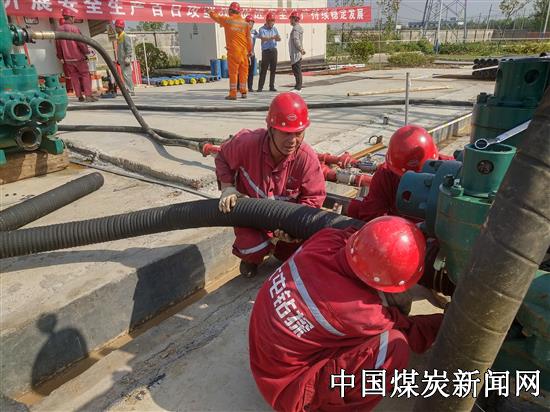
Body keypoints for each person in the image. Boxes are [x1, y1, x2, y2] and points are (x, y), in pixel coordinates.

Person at [249, 216, 444, 412]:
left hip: (267, 365)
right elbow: (413, 332)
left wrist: (400, 233)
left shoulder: (327, 238)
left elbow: (357, 233)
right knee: (393, 346)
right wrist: (450, 318)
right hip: (292, 392)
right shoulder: (361, 311)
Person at [215, 92, 326, 278]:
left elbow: (314, 198)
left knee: (297, 252)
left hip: (285, 223)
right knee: (252, 248)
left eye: (298, 133)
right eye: (286, 133)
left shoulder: (306, 159)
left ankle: (279, 248)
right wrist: (227, 187)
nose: (292, 141)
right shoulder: (247, 144)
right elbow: (222, 157)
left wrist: (295, 229)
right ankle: (252, 258)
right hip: (251, 216)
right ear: (270, 128)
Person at [346, 125, 453, 221]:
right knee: (355, 209)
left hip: (438, 230)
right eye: (404, 177)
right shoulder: (386, 174)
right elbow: (372, 214)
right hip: (400, 230)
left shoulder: (452, 171)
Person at [208, 3, 252, 100]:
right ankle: (244, 92)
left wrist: (210, 12)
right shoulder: (245, 24)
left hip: (233, 52)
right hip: (244, 53)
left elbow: (217, 17)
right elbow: (249, 39)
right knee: (244, 73)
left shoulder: (228, 20)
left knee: (233, 73)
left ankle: (233, 94)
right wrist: (249, 51)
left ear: (231, 11)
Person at [55, 8, 96, 102]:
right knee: (85, 74)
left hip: (67, 59)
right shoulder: (74, 28)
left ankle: (79, 96)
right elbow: (80, 42)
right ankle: (88, 96)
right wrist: (86, 52)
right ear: (71, 17)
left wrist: (61, 57)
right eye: (73, 17)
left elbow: (58, 45)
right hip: (78, 57)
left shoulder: (58, 30)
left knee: (74, 76)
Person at [257, 12, 281, 92]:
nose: (273, 23)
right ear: (267, 21)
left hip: (274, 50)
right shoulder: (262, 29)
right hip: (266, 51)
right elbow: (263, 38)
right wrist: (272, 37)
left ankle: (271, 86)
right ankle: (260, 87)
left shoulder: (274, 29)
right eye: (271, 21)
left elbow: (278, 38)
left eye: (273, 21)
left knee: (273, 70)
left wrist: (278, 38)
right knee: (264, 70)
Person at [114, 19, 135, 96]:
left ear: (120, 27)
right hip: (121, 59)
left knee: (127, 75)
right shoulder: (119, 37)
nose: (115, 29)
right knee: (124, 75)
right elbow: (120, 49)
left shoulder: (125, 36)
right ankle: (128, 88)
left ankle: (131, 90)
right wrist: (118, 59)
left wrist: (128, 57)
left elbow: (128, 48)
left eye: (116, 27)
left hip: (125, 59)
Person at [289, 11, 305, 92]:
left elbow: (296, 40)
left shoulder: (296, 29)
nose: (290, 20)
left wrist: (300, 49)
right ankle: (297, 86)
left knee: (297, 71)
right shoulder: (296, 28)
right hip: (295, 53)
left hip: (296, 53)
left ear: (294, 19)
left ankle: (298, 88)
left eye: (291, 19)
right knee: (296, 70)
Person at [245, 15, 259, 92]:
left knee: (251, 72)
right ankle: (239, 87)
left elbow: (261, 36)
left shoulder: (254, 32)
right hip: (244, 54)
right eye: (249, 22)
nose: (250, 24)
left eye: (252, 23)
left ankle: (250, 87)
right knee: (243, 72)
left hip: (252, 54)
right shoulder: (242, 31)